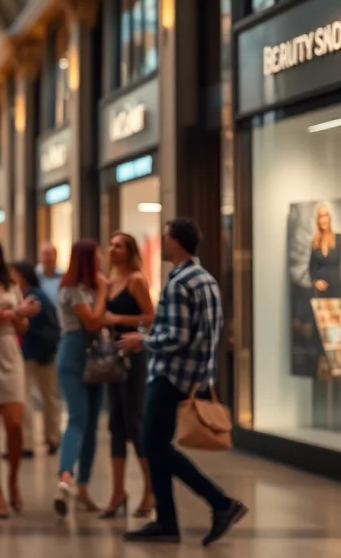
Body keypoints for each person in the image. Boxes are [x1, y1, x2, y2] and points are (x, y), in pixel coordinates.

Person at [118, 217, 248, 546]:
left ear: (176, 242)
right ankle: (166, 521)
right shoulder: (205, 279)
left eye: (164, 237)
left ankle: (220, 503)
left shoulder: (179, 283)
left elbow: (176, 336)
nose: (161, 243)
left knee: (153, 445)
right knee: (156, 446)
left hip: (170, 375)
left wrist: (141, 341)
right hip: (192, 374)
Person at [99, 232, 156, 519]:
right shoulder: (110, 281)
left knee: (134, 421)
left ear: (130, 251)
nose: (112, 248)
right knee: (116, 426)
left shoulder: (135, 279)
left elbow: (150, 316)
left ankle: (150, 489)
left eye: (118, 245)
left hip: (134, 356)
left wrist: (118, 319)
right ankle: (118, 490)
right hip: (114, 358)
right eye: (110, 244)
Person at [0, 237, 40, 518]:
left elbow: (23, 326)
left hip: (8, 352)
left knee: (15, 423)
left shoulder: (11, 285)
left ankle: (14, 479)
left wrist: (20, 315)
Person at [53, 239, 107, 517]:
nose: (101, 260)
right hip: (74, 351)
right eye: (97, 256)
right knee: (77, 417)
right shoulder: (71, 288)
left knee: (91, 422)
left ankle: (82, 485)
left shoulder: (90, 286)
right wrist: (105, 292)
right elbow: (94, 322)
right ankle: (65, 478)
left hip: (94, 356)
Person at [10, 261, 62, 458]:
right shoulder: (32, 295)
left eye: (13, 273)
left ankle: (30, 443)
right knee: (47, 398)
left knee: (30, 398)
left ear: (22, 276)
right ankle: (51, 438)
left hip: (35, 354)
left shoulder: (33, 297)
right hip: (38, 354)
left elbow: (36, 326)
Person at [309, 204, 341, 298]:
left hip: (337, 290)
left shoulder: (338, 239)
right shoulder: (315, 242)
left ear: (329, 219)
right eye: (321, 217)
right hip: (321, 292)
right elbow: (311, 268)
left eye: (326, 216)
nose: (324, 219)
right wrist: (316, 281)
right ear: (318, 220)